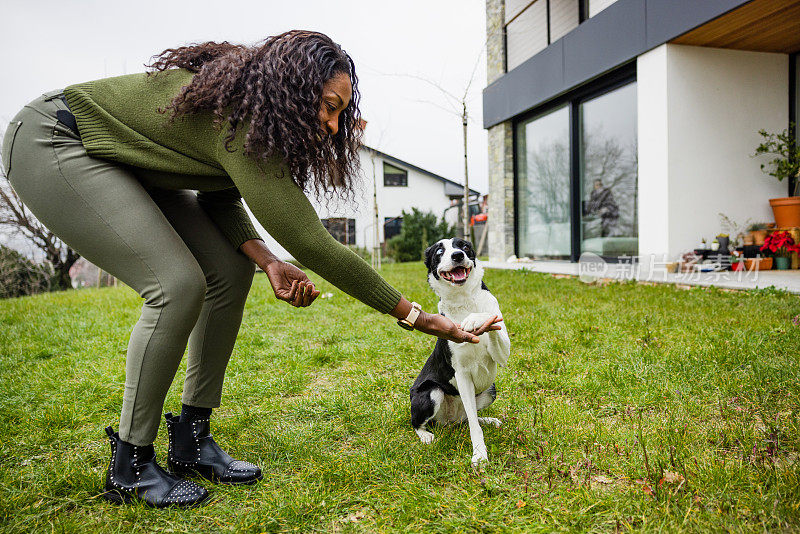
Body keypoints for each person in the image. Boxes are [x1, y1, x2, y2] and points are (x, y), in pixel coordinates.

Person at [1, 30, 499, 508]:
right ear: (295, 89)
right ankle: (130, 465)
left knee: (228, 269)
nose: (332, 126)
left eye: (340, 114)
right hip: (58, 139)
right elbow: (314, 242)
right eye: (329, 107)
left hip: (128, 162)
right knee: (176, 286)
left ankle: (192, 439)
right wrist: (416, 315)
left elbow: (219, 198)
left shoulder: (248, 124)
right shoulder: (240, 122)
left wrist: (266, 262)